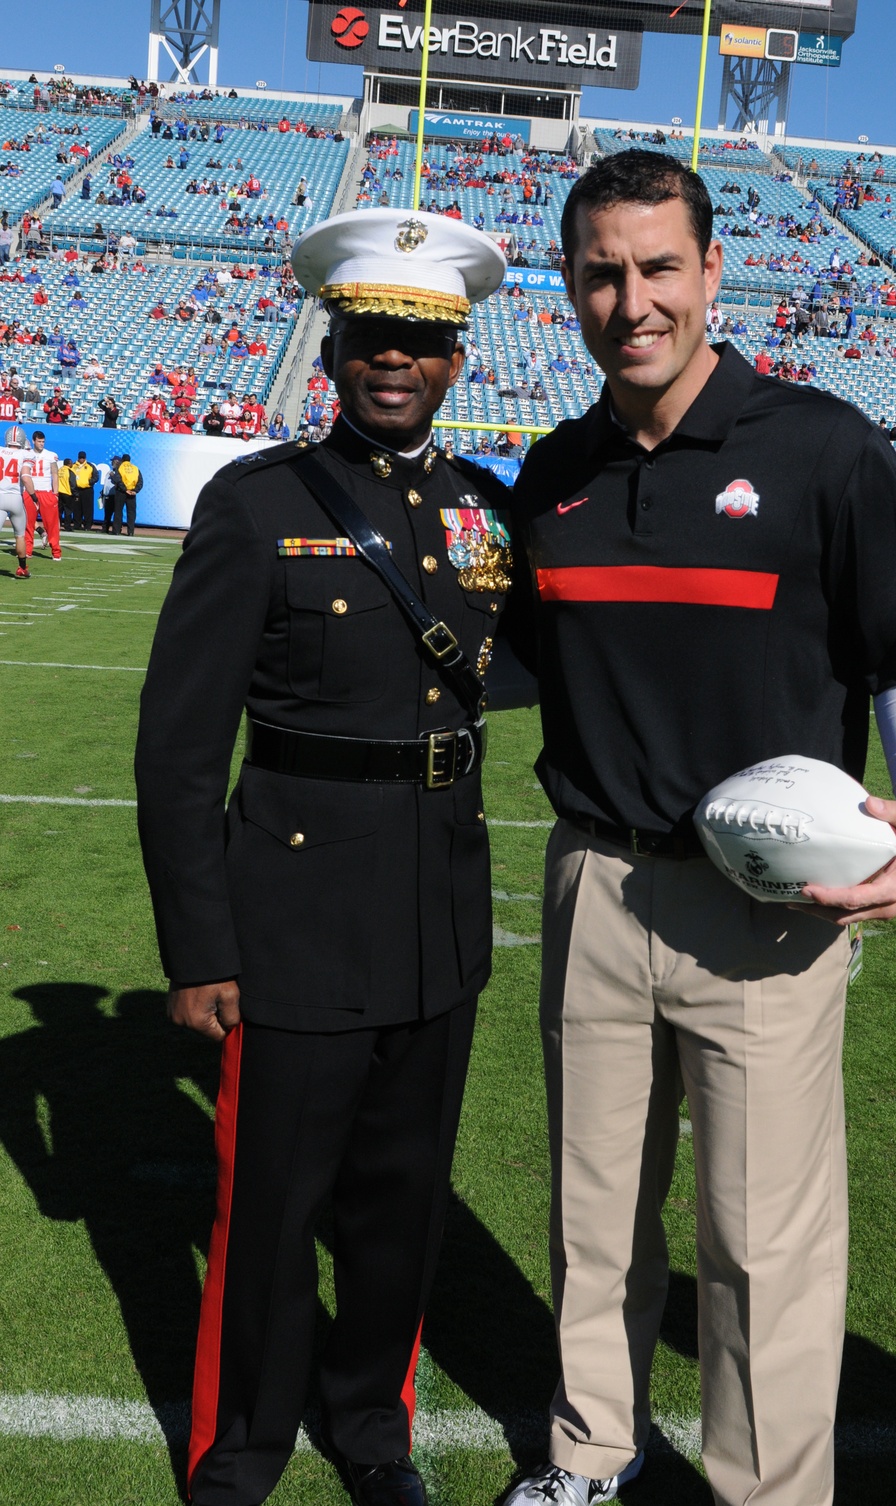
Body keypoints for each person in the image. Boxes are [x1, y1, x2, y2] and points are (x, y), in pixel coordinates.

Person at [502, 151, 896, 1506]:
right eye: (601, 271)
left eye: (656, 267)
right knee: (595, 1215)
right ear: (569, 286)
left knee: (765, 1240)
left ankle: (770, 1490)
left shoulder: (823, 446)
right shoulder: (555, 468)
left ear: (712, 271)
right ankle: (592, 1453)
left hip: (765, 910)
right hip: (594, 881)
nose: (629, 298)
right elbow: (510, 660)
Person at [134, 208, 511, 1506]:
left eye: (420, 337)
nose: (392, 358)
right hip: (290, 921)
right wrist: (199, 949)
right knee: (267, 1211)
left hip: (437, 920)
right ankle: (240, 1447)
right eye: (370, 334)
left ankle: (371, 1429)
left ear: (457, 356)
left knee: (399, 1208)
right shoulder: (258, 504)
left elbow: (542, 668)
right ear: (332, 343)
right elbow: (179, 749)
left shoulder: (481, 510)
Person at [20, 428, 61, 561]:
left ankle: (56, 552)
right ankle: (28, 550)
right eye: (39, 441)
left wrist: (56, 493)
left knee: (52, 524)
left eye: (43, 441)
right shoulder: (26, 454)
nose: (41, 444)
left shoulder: (50, 455)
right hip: (31, 491)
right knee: (28, 522)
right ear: (33, 441)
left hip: (46, 491)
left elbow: (55, 474)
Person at [0, 423, 31, 576]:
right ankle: (22, 568)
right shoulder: (25, 454)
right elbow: (25, 477)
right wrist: (33, 495)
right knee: (19, 535)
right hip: (15, 498)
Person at [107, 452, 142, 535]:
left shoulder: (120, 467)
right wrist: (135, 490)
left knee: (118, 511)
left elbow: (117, 479)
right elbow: (140, 481)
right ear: (129, 460)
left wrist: (125, 489)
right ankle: (130, 532)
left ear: (122, 460)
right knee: (131, 513)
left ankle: (116, 531)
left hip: (121, 492)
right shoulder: (135, 468)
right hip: (132, 492)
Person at [72, 450, 96, 530]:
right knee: (77, 508)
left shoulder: (90, 466)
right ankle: (77, 524)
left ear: (85, 458)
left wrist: (89, 482)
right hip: (77, 490)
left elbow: (96, 477)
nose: (81, 459)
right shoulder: (73, 466)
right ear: (78, 458)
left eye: (83, 458)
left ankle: (87, 526)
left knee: (88, 508)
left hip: (87, 490)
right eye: (80, 458)